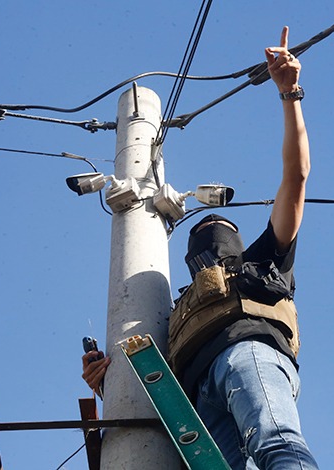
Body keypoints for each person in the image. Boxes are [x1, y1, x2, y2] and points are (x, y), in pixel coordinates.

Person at [83, 26, 318, 469]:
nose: (211, 234)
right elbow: (153, 386)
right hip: (197, 396)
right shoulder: (174, 316)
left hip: (249, 353)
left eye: (220, 227)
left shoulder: (266, 259)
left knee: (276, 443)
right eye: (203, 231)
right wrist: (109, 382)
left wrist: (291, 95)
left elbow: (297, 176)